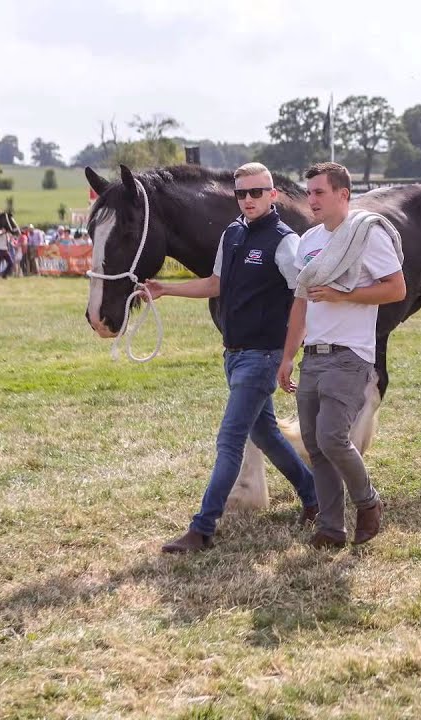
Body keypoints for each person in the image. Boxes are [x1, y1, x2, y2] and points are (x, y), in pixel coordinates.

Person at [148, 162, 318, 553]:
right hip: (234, 355)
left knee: (229, 440)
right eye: (241, 193)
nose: (248, 200)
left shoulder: (285, 241)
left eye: (256, 192)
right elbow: (216, 284)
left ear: (272, 194)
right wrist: (166, 290)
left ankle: (202, 528)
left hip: (262, 357)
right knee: (266, 434)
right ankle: (313, 496)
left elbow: (302, 298)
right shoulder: (233, 234)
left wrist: (288, 355)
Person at [278, 162, 405, 548]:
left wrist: (342, 296)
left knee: (332, 437)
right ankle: (332, 529)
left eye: (319, 192)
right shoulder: (309, 240)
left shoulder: (366, 235)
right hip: (312, 357)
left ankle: (368, 502)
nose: (311, 199)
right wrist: (287, 357)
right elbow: (300, 301)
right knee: (316, 447)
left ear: (342, 194)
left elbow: (397, 289)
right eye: (309, 191)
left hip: (350, 355)